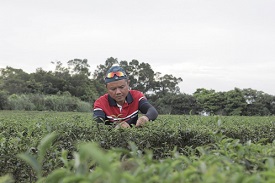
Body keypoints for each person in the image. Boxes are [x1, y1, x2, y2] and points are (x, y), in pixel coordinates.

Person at [93, 65, 158, 128]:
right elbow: (98, 125)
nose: (118, 92)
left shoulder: (136, 96)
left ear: (128, 84)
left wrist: (145, 118)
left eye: (121, 87)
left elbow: (152, 111)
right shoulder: (100, 103)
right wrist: (116, 128)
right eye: (113, 89)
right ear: (106, 88)